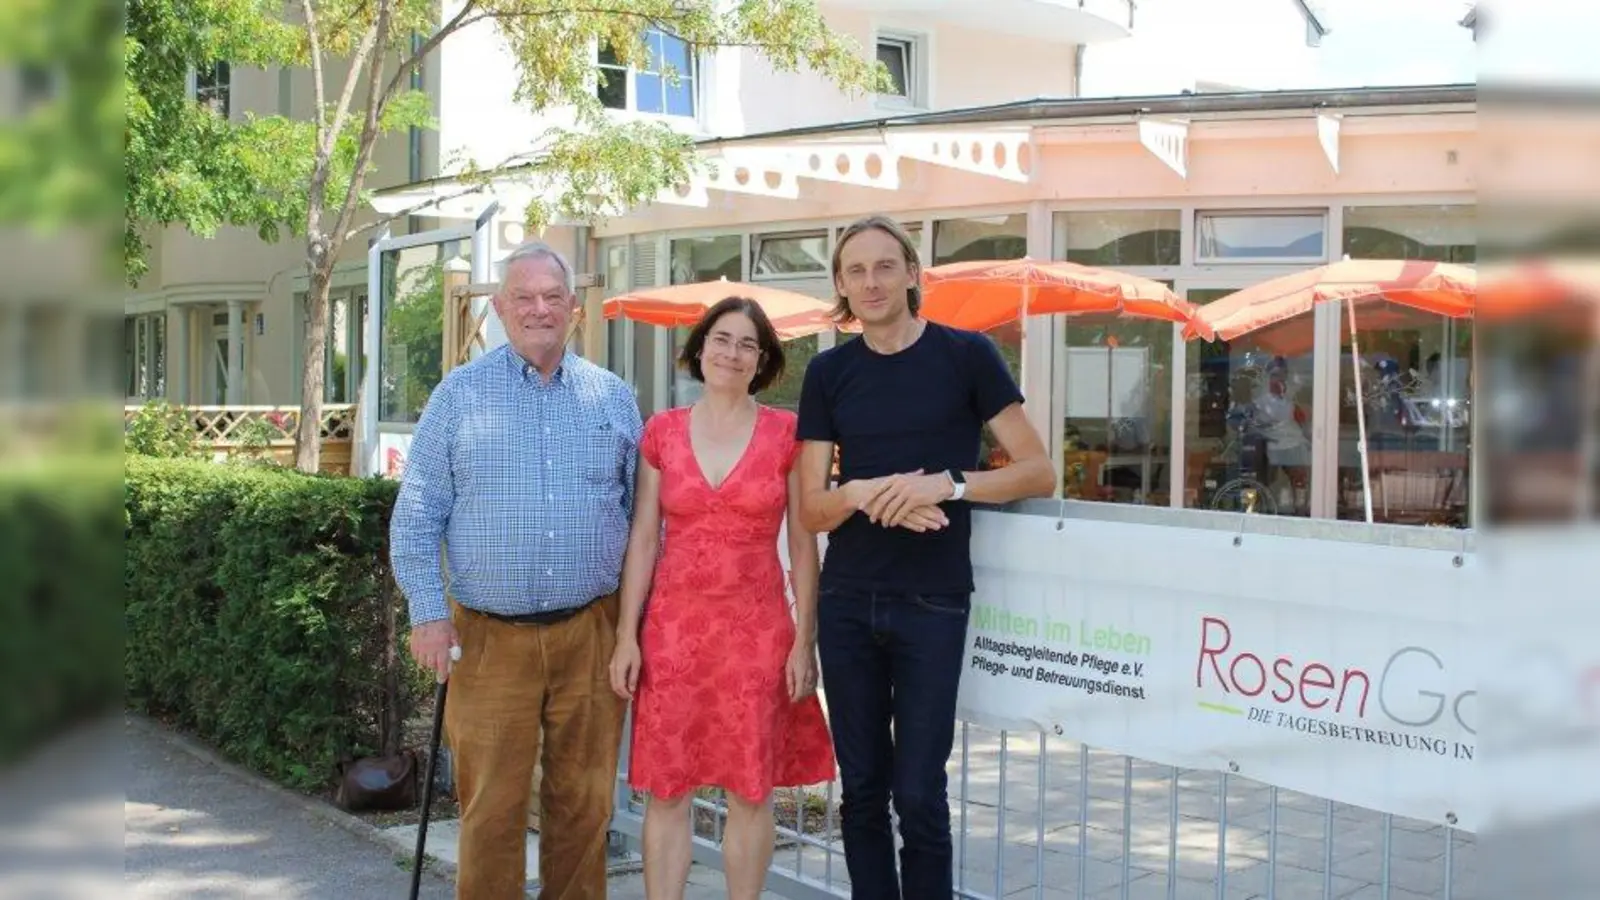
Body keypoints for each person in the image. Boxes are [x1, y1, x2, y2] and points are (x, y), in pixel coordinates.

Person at [795, 216, 1056, 899]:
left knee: (919, 794)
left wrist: (948, 483)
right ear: (842, 287)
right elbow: (811, 508)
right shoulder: (828, 373)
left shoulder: (967, 355)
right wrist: (864, 493)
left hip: (933, 602)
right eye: (856, 271)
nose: (872, 281)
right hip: (848, 602)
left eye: (885, 266)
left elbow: (1036, 471)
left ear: (913, 273)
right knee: (862, 794)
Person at [390, 240, 639, 900]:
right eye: (523, 298)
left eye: (552, 297)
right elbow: (415, 514)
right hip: (488, 639)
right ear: (499, 309)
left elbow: (646, 523)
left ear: (574, 309)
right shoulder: (459, 397)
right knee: (492, 811)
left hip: (592, 633)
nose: (538, 310)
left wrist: (639, 628)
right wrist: (427, 614)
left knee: (584, 810)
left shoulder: (613, 399)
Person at [608, 296, 835, 900]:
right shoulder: (661, 431)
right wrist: (627, 636)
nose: (732, 354)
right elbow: (643, 539)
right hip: (672, 635)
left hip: (757, 635)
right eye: (722, 339)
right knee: (667, 790)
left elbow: (805, 544)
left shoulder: (788, 434)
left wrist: (804, 640)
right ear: (700, 347)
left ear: (762, 360)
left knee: (751, 792)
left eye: (747, 345)